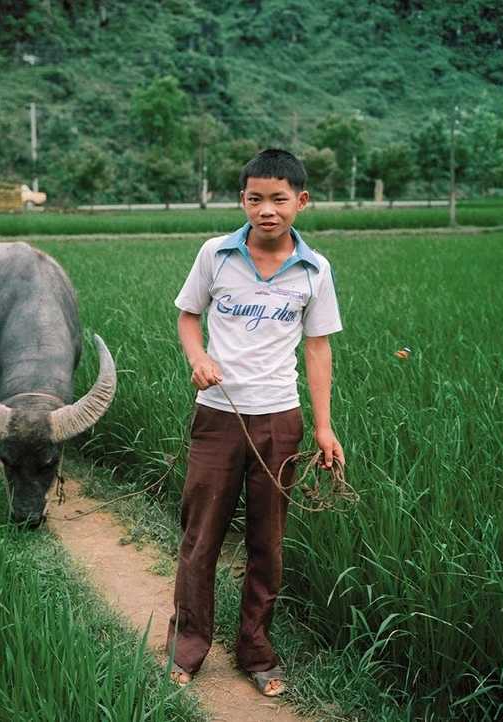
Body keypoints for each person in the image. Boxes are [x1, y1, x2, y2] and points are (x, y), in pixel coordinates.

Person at [166, 148, 345, 697]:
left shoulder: (315, 269)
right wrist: (197, 358)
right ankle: (189, 646)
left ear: (301, 202)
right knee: (202, 536)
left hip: (280, 420)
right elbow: (188, 315)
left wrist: (323, 425)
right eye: (255, 199)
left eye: (279, 199)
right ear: (242, 200)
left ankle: (256, 650)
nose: (266, 210)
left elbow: (317, 348)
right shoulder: (215, 255)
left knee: (268, 540)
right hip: (218, 418)